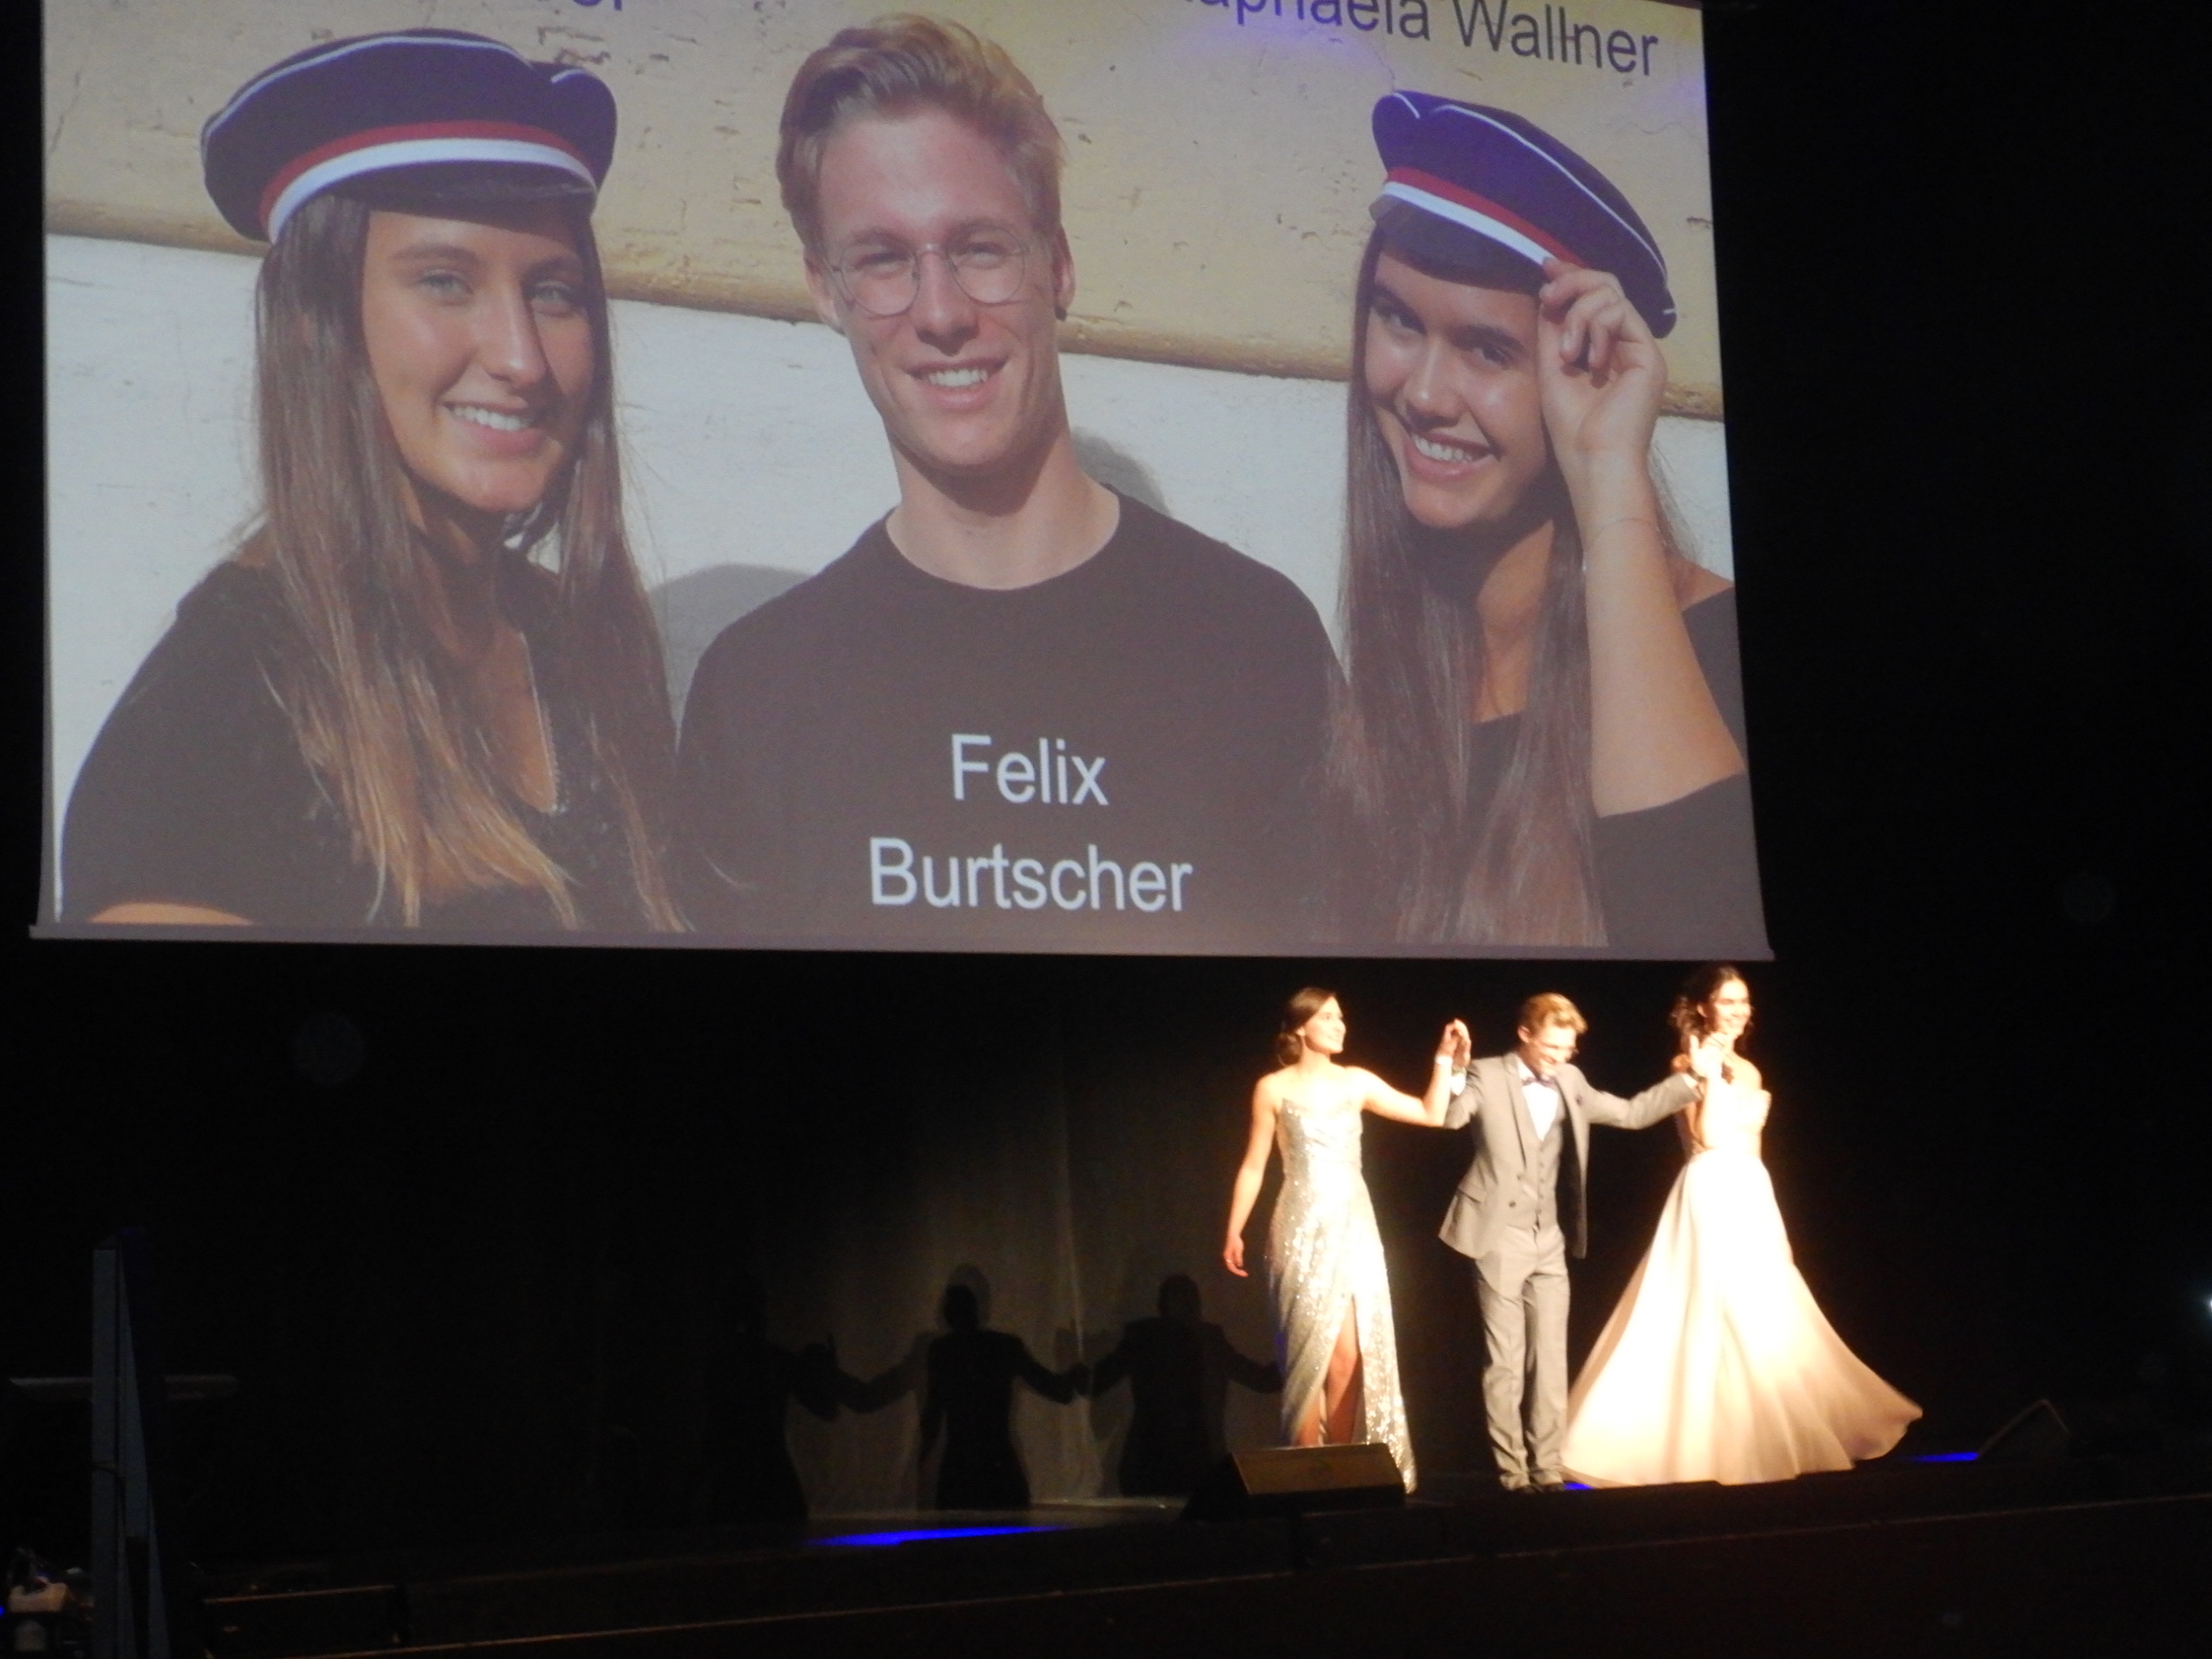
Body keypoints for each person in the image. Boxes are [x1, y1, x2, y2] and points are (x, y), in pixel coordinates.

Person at [677, 16, 1336, 949]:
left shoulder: (1257, 642)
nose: (941, 313)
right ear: (826, 289)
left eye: (980, 248)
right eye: (884, 259)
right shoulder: (758, 692)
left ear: (1057, 265)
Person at [60, 30, 682, 933]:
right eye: (445, 281)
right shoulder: (214, 719)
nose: (520, 357)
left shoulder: (583, 646)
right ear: (319, 329)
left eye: (553, 292)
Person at [1330, 92, 1763, 953]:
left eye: (1487, 350)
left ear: (1585, 372)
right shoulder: (1391, 674)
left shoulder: (1721, 652)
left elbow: (1696, 944)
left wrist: (1609, 474)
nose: (1425, 394)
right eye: (1399, 320)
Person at [1561, 968, 1921, 1486]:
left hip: (1749, 1189)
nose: (1738, 1010)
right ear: (1703, 1007)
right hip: (1709, 1189)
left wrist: (1772, 1218)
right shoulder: (1685, 1064)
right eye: (1727, 1001)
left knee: (1766, 1307)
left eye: (1744, 1001)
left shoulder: (1749, 1070)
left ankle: (1764, 1435)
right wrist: (1706, 1074)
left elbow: (1754, 1147)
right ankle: (1699, 1448)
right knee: (1712, 1309)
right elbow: (1706, 1136)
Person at [1440, 992, 1706, 1493]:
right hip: (1498, 1234)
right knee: (1506, 1360)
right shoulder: (1486, 1074)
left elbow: (1630, 1113)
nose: (1559, 1058)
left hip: (1548, 1238)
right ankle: (1513, 1473)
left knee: (1551, 1358)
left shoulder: (1569, 1079)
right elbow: (1450, 1117)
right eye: (1551, 1047)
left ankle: (1547, 1468)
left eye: (1568, 1049)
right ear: (1525, 1034)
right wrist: (1452, 1068)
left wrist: (1692, 1080)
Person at [1223, 990, 1471, 1488]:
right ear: (1301, 1027)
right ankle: (1304, 1468)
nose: (1340, 1025)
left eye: (1341, 1016)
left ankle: (1338, 1468)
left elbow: (1430, 1113)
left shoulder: (1357, 1081)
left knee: (1348, 1356)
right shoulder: (1272, 1088)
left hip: (1353, 1225)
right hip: (1299, 1226)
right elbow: (1254, 1164)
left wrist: (1446, 1060)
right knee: (1306, 1353)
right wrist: (1234, 1228)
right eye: (1328, 1016)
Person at [1084, 1273, 1281, 1496]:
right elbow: (1261, 1379)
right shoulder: (1204, 1342)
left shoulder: (1147, 1339)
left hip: (1155, 1465)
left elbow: (1097, 1381)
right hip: (1188, 1465)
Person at [918, 1280, 1084, 1510]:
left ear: (946, 1315)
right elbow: (1057, 1391)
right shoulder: (1005, 1346)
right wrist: (1075, 1369)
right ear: (977, 1311)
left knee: (957, 1529)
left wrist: (921, 1459)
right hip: (998, 1464)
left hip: (958, 1469)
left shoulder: (942, 1351)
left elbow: (932, 1415)